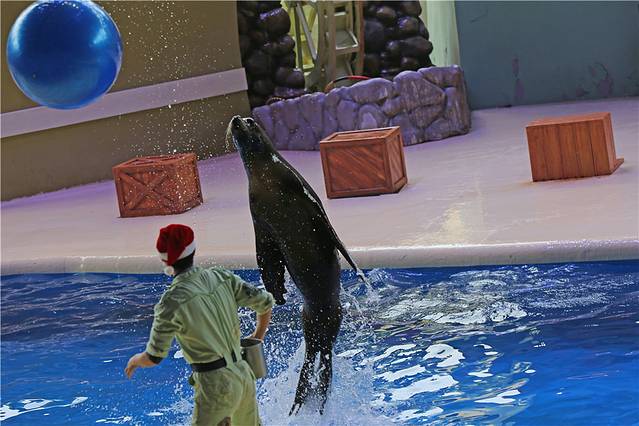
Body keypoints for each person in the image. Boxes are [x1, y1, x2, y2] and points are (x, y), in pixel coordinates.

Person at [125, 224, 275, 426]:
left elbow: (153, 357)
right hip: (243, 374)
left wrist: (135, 360)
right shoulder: (222, 277)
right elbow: (265, 303)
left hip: (215, 385)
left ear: (164, 261)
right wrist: (257, 336)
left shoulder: (171, 302)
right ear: (193, 250)